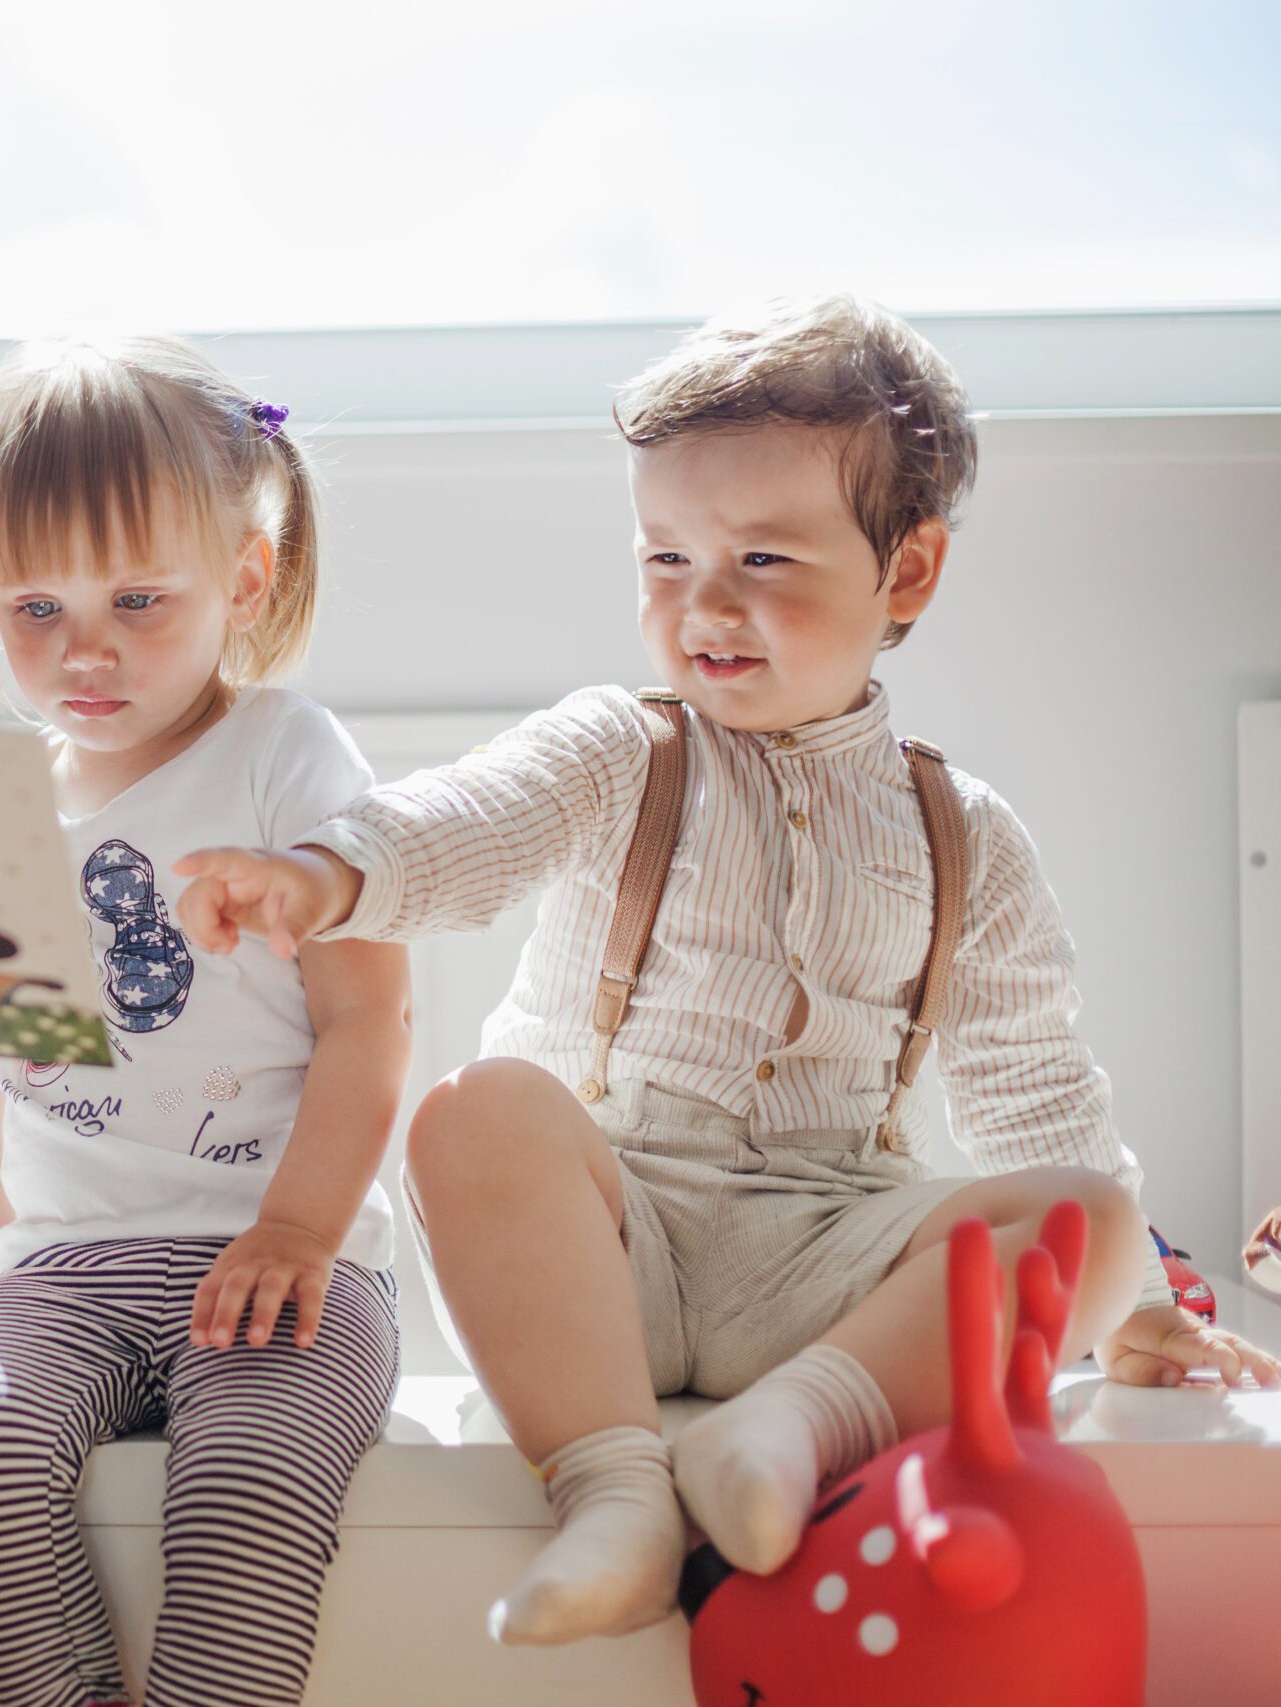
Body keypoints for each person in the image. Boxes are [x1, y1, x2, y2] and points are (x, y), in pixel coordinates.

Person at [175, 294, 1281, 1648]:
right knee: (474, 1108)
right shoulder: (619, 751)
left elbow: (1034, 1081)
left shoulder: (966, 833)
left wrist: (1147, 1313)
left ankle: (785, 1425)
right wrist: (331, 869)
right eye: (664, 555)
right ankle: (614, 1488)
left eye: (762, 555)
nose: (704, 602)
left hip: (831, 1256)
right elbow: (467, 819)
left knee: (1087, 1221)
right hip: (612, 1237)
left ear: (909, 572)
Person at [0, 336, 411, 1707]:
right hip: (66, 1266)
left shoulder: (285, 755)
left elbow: (370, 1018)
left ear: (243, 576)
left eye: (137, 598)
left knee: (246, 1475)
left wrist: (300, 1230)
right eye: (36, 608)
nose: (86, 649)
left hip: (277, 1257)